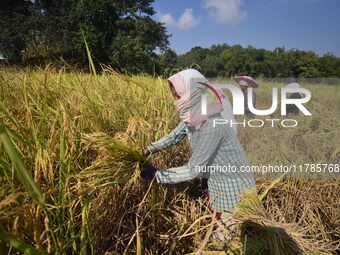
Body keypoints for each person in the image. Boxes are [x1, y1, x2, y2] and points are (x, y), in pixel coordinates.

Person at [141, 69, 255, 240]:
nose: (176, 100)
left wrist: (157, 175)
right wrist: (149, 149)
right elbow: (175, 135)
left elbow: (193, 169)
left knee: (225, 240)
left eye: (178, 95)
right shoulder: (196, 115)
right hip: (217, 181)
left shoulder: (212, 124)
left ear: (192, 92)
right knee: (219, 224)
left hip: (234, 191)